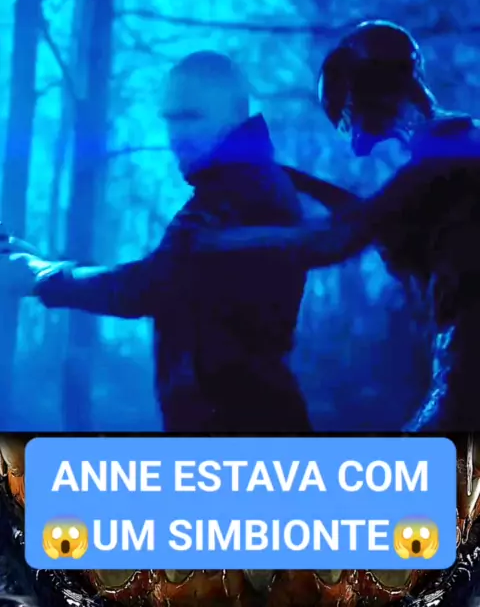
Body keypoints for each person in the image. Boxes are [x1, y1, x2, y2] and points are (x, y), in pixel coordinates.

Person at [184, 22, 480, 432]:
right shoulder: (454, 153)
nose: (356, 138)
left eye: (349, 113)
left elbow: (340, 237)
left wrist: (217, 241)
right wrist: (288, 178)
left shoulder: (447, 155)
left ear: (372, 91)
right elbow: (378, 218)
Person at [0, 51, 312, 433]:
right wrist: (43, 271)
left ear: (233, 116)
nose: (176, 135)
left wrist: (42, 276)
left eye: (191, 117)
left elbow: (151, 284)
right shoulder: (242, 188)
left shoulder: (241, 193)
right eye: (170, 119)